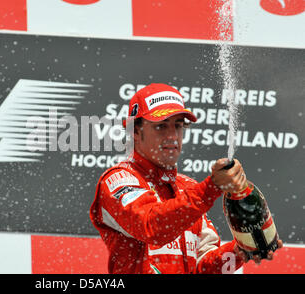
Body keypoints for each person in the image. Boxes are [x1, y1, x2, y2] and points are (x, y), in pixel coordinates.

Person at [89, 83, 282, 274]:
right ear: (135, 132)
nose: (173, 136)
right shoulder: (118, 180)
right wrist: (211, 188)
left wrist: (240, 252)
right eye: (161, 126)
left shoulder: (189, 187)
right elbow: (151, 227)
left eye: (178, 126)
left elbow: (202, 268)